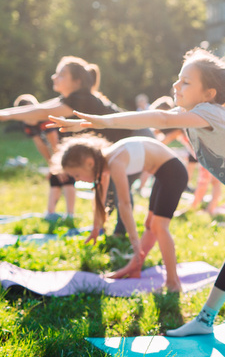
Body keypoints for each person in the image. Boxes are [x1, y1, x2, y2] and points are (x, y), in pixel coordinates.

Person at [50, 48, 225, 357]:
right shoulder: (195, 117)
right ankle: (205, 320)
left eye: (186, 82)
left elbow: (161, 117)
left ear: (208, 94)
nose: (176, 86)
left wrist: (100, 119)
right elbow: (162, 121)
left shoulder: (209, 112)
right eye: (178, 80)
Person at [0, 56, 137, 235]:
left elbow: (42, 112)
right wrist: (6, 114)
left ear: (77, 81)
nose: (54, 77)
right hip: (119, 145)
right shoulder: (71, 99)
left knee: (117, 187)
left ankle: (120, 234)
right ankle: (105, 229)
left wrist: (6, 115)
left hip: (135, 138)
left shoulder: (82, 98)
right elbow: (40, 109)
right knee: (106, 185)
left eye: (61, 74)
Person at [50, 134, 187, 291]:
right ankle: (134, 268)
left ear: (89, 163)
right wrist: (96, 228)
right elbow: (100, 199)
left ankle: (173, 283)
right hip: (163, 173)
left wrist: (135, 241)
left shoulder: (114, 162)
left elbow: (124, 204)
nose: (78, 180)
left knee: (159, 226)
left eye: (77, 175)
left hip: (173, 172)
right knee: (150, 225)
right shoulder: (104, 164)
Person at [14, 94, 76, 220]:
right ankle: (51, 213)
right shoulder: (28, 125)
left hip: (68, 146)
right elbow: (41, 145)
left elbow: (55, 144)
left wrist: (59, 166)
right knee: (54, 178)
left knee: (66, 177)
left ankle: (70, 215)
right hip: (57, 151)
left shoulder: (46, 119)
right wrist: (52, 166)